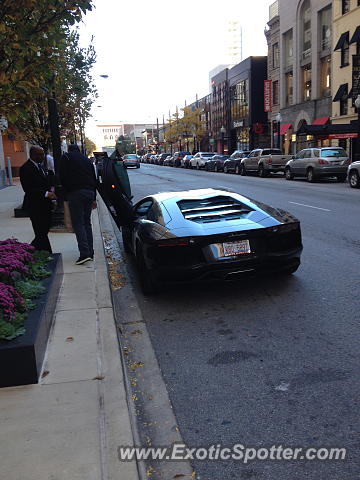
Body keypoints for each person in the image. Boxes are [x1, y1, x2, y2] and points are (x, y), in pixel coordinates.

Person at [60, 144, 97, 265]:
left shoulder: (66, 157)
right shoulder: (86, 159)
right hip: (89, 193)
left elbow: (62, 177)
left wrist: (65, 193)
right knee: (87, 222)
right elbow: (94, 178)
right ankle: (90, 252)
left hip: (75, 193)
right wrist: (94, 198)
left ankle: (84, 253)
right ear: (79, 150)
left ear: (69, 150)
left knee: (78, 223)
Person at [19, 145, 57, 253]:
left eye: (43, 154)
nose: (42, 157)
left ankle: (29, 251)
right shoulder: (25, 168)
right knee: (40, 232)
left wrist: (51, 192)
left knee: (43, 231)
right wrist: (46, 194)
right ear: (32, 155)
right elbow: (28, 188)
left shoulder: (41, 167)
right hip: (35, 206)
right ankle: (47, 253)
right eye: (39, 154)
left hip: (45, 205)